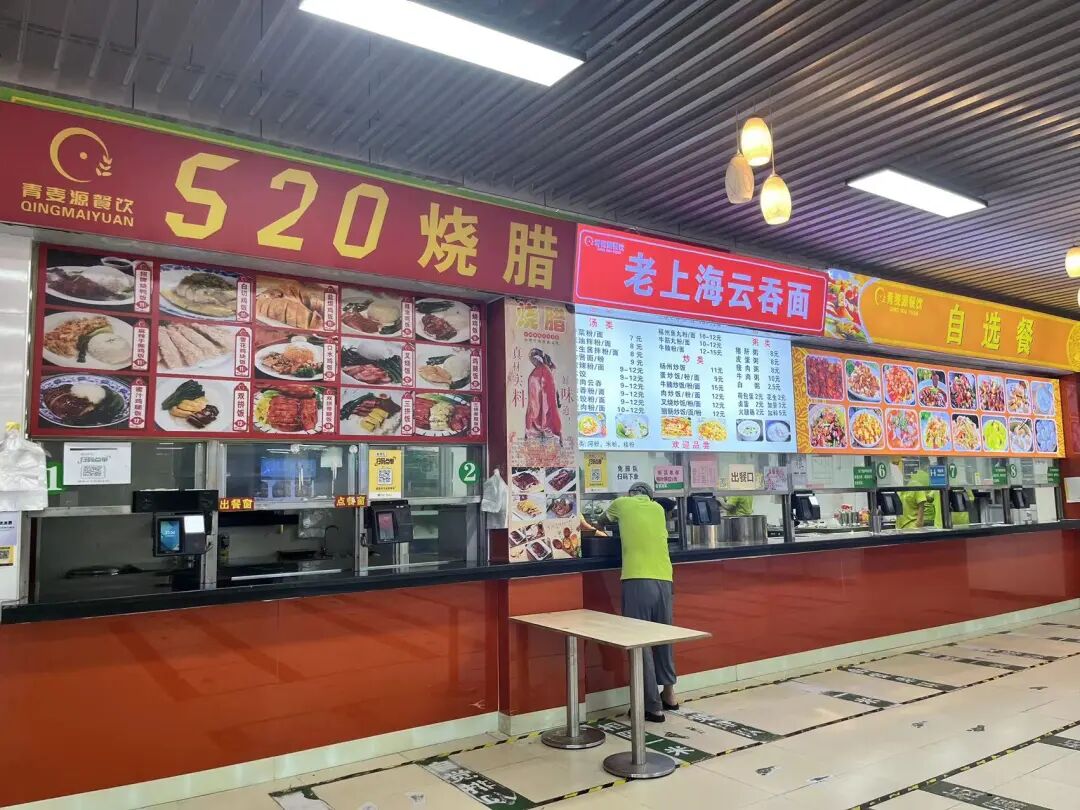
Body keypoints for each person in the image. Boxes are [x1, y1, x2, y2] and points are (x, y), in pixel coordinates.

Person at [604, 482, 677, 723]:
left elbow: (599, 522)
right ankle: (669, 694)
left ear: (630, 494)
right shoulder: (657, 508)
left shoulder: (621, 503)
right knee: (663, 637)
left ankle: (651, 706)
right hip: (665, 578)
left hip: (637, 579)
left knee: (640, 643)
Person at [525, 348, 562, 441]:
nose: (533, 362)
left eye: (533, 360)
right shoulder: (544, 370)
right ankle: (543, 428)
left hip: (541, 399)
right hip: (540, 399)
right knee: (542, 407)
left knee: (541, 407)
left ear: (537, 359)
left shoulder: (542, 371)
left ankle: (541, 428)